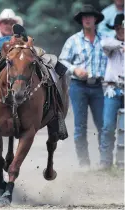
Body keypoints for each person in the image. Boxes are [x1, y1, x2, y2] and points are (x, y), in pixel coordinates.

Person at [59, 5, 108, 167]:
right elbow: (62, 60)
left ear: (95, 20)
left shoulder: (105, 40)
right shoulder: (73, 40)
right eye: (84, 17)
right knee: (80, 125)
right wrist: (74, 69)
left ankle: (105, 161)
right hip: (78, 86)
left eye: (90, 16)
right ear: (81, 20)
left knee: (103, 124)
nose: (87, 19)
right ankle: (83, 162)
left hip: (100, 86)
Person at [99, 14, 124, 170]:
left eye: (122, 28)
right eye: (117, 28)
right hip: (112, 89)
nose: (120, 30)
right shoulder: (110, 43)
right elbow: (105, 44)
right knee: (108, 126)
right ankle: (105, 161)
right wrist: (122, 45)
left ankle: (122, 162)